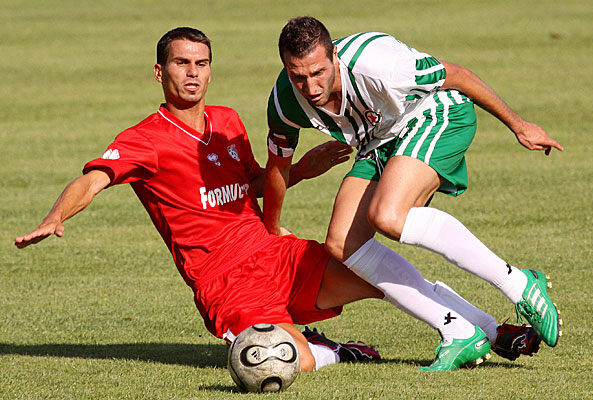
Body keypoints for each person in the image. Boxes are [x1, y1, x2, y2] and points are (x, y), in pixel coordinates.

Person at [15, 27, 538, 374]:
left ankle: (491, 332)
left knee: (387, 277)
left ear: (211, 69)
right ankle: (334, 351)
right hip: (222, 280)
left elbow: (259, 183)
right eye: (180, 63)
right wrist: (56, 216)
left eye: (201, 63)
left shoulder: (227, 121)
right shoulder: (144, 138)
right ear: (161, 73)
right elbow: (95, 177)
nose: (192, 72)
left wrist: (303, 170)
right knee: (275, 358)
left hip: (273, 253)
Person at [263, 16, 561, 370]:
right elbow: (278, 166)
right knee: (342, 243)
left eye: (318, 73)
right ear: (285, 67)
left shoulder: (379, 65)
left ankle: (518, 283)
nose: (310, 86)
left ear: (334, 56)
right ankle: (460, 331)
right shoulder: (285, 101)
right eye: (299, 76)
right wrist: (271, 228)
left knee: (388, 215)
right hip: (380, 140)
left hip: (435, 113)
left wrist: (519, 125)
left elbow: (457, 75)